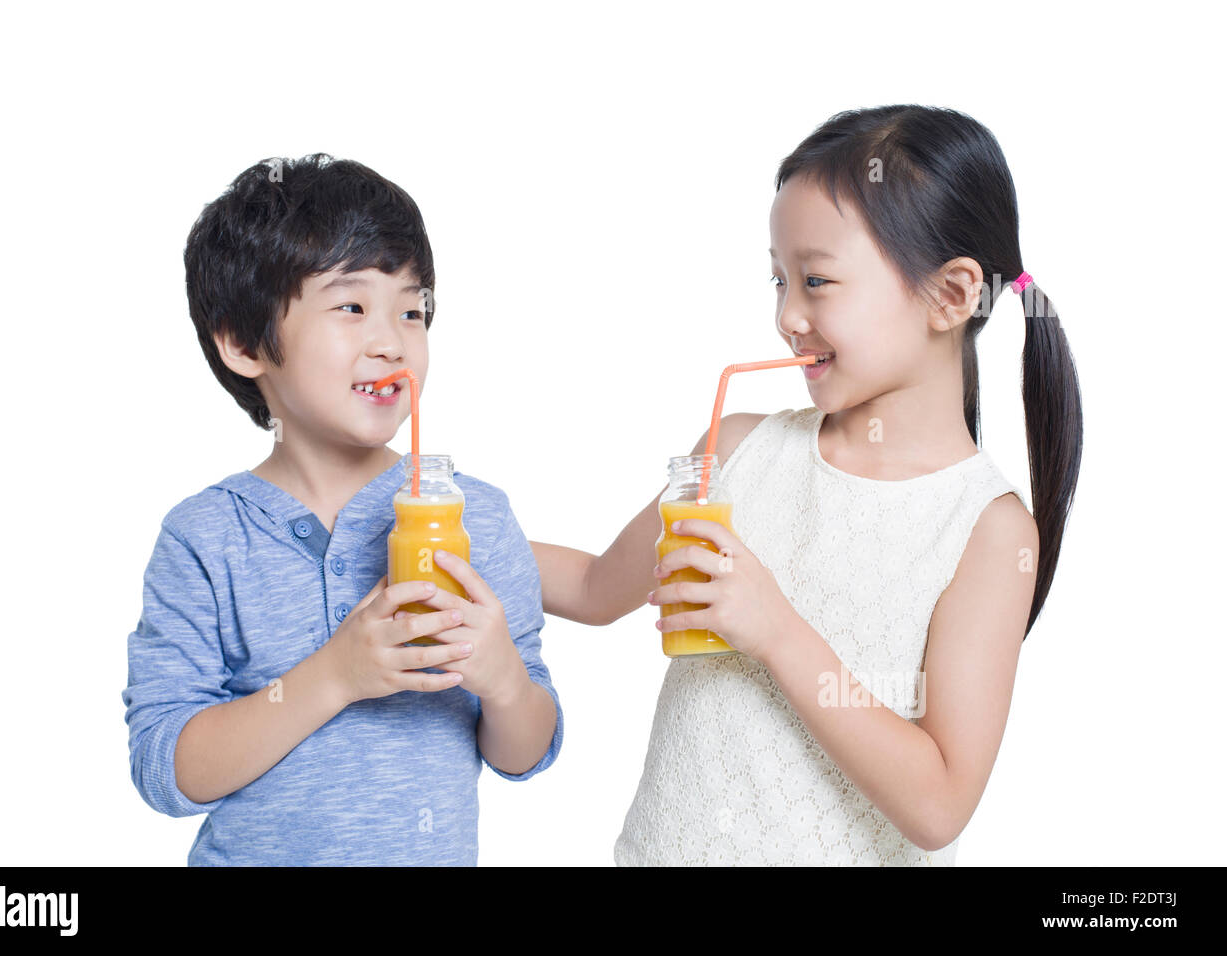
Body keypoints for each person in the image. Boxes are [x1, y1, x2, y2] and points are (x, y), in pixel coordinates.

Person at [531, 105, 1081, 865]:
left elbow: (938, 804)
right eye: (779, 278)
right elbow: (596, 587)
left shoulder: (986, 530)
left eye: (817, 280)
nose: (787, 315)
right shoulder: (738, 450)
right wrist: (432, 519)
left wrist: (775, 630)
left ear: (952, 296)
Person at [123, 153, 562, 865]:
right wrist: (333, 676)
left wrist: (503, 678)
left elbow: (526, 753)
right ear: (242, 341)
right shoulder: (205, 539)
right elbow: (166, 772)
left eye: (412, 310)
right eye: (351, 306)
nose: (392, 342)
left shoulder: (474, 517)